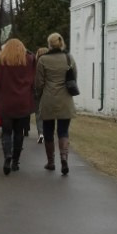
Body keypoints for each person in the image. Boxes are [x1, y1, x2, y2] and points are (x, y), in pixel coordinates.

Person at [0, 37, 37, 175]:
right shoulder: (28, 60)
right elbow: (34, 67)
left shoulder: (1, 62)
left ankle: (7, 156)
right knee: (19, 133)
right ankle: (16, 161)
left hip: (6, 101)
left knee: (6, 132)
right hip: (23, 102)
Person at [35, 32, 77, 175]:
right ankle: (64, 158)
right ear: (61, 43)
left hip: (48, 99)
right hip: (65, 99)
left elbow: (39, 83)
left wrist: (38, 95)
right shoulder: (68, 58)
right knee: (63, 131)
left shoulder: (42, 60)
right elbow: (74, 77)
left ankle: (51, 162)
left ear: (49, 44)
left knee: (48, 130)